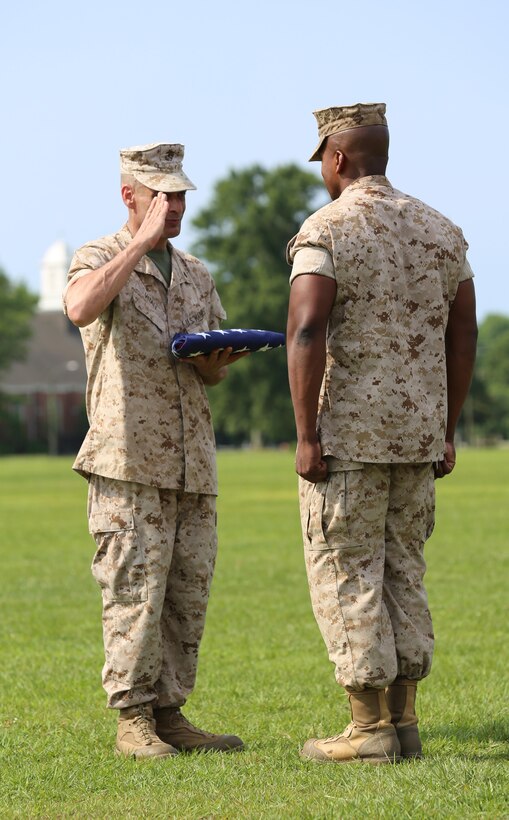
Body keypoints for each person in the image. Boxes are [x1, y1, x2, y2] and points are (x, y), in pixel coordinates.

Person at [286, 103, 477, 764]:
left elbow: (307, 328)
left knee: (347, 568)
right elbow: (462, 335)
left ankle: (367, 730)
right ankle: (404, 721)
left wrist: (306, 434)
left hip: (350, 438)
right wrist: (446, 428)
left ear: (335, 159)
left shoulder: (327, 230)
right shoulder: (441, 230)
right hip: (418, 437)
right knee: (404, 567)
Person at [64, 142, 246, 759]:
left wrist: (217, 362)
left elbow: (209, 367)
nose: (174, 207)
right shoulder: (99, 256)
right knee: (133, 592)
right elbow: (79, 307)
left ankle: (170, 714)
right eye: (162, 196)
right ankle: (132, 719)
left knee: (185, 592)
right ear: (129, 196)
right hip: (127, 460)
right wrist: (138, 246)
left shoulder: (195, 272)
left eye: (181, 196)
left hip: (192, 460)